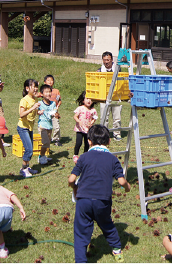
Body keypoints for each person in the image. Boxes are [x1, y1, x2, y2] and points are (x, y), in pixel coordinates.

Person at [68, 124, 131, 263]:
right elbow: (121, 181)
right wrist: (127, 187)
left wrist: (74, 188)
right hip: (102, 200)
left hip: (83, 200)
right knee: (107, 224)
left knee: (81, 232)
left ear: (89, 141)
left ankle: (80, 261)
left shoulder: (83, 157)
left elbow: (71, 179)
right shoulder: (113, 159)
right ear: (109, 141)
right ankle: (117, 251)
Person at [17, 79, 41, 178]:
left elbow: (33, 112)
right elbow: (21, 114)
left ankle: (27, 167)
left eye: (36, 87)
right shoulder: (24, 100)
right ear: (27, 88)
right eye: (33, 87)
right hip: (23, 128)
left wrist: (39, 112)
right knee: (29, 150)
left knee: (30, 148)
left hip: (29, 127)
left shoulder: (34, 99)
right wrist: (33, 107)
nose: (36, 89)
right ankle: (23, 169)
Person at [98, 51, 122, 141]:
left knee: (117, 116)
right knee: (104, 116)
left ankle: (117, 133)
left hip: (115, 96)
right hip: (104, 97)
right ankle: (104, 134)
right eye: (104, 60)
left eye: (108, 60)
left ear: (112, 60)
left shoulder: (117, 69)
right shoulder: (100, 70)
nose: (106, 62)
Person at [73, 91, 98, 164]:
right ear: (83, 100)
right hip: (79, 129)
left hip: (88, 130)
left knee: (87, 143)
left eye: (91, 99)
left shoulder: (93, 110)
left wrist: (92, 123)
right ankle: (75, 155)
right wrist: (79, 121)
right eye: (87, 98)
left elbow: (95, 118)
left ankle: (85, 155)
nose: (89, 100)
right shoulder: (80, 108)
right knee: (78, 142)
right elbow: (75, 116)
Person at [38, 84, 60, 165]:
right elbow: (34, 111)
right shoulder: (39, 103)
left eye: (50, 92)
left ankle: (44, 156)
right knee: (46, 142)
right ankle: (41, 156)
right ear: (42, 94)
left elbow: (56, 114)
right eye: (46, 92)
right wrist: (38, 112)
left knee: (48, 142)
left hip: (49, 126)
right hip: (42, 126)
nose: (48, 94)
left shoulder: (53, 103)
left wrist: (56, 115)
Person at [44, 75, 62, 146]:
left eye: (51, 80)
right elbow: (36, 95)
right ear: (45, 82)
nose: (50, 82)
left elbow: (59, 100)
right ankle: (46, 140)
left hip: (54, 112)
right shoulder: (43, 91)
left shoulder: (56, 91)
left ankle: (56, 140)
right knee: (47, 128)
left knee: (57, 127)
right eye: (48, 80)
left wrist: (58, 106)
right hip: (46, 112)